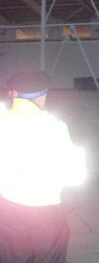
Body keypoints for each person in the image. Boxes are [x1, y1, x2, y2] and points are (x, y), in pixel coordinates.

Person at [0, 71, 87, 263]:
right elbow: (75, 175)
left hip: (7, 209)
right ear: (43, 96)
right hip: (46, 211)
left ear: (14, 94)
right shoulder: (54, 126)